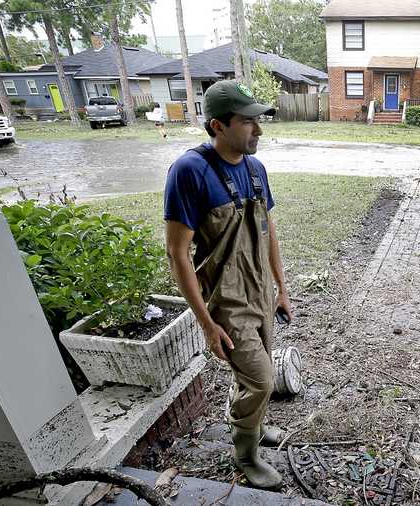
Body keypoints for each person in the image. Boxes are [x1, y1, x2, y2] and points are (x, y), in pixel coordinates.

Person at [163, 80, 291, 489]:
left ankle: (253, 422)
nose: (259, 131)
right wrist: (206, 323)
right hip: (226, 299)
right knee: (261, 379)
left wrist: (281, 288)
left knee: (255, 373)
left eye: (259, 122)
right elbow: (177, 253)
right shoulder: (189, 171)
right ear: (218, 126)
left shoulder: (255, 169)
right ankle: (246, 453)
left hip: (260, 293)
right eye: (248, 122)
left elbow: (268, 228)